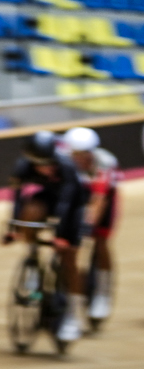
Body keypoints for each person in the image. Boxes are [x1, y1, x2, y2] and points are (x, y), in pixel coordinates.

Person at [3, 129, 87, 342]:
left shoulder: (66, 166)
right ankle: (33, 266)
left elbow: (66, 205)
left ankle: (73, 314)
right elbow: (16, 199)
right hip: (49, 197)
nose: (44, 168)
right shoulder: (21, 166)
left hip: (73, 205)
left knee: (69, 257)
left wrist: (60, 236)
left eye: (48, 162)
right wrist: (13, 228)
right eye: (38, 163)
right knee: (30, 210)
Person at [63, 126, 120, 325]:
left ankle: (103, 293)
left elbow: (98, 200)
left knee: (100, 239)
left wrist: (87, 226)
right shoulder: (63, 161)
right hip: (78, 194)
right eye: (76, 154)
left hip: (102, 196)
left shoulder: (104, 163)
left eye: (85, 154)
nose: (80, 158)